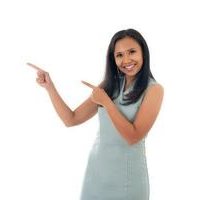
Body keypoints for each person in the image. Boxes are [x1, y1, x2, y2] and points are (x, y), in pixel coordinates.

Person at [27, 28, 164, 200]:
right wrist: (50, 87)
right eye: (119, 55)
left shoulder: (154, 90)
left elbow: (133, 136)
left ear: (143, 52)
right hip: (96, 174)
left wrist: (106, 102)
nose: (126, 59)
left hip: (127, 179)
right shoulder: (110, 85)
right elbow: (71, 119)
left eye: (132, 52)